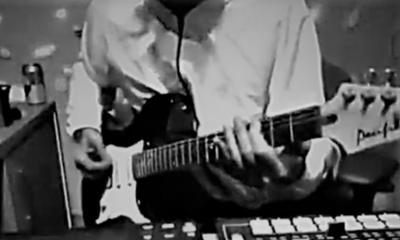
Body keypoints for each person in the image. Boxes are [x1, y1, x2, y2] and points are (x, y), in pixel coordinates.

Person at [66, 0, 344, 224]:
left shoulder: (279, 9)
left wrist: (290, 173)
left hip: (242, 212)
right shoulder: (108, 9)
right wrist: (85, 126)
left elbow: (316, 147)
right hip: (147, 211)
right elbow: (88, 68)